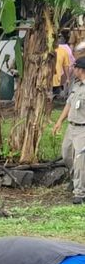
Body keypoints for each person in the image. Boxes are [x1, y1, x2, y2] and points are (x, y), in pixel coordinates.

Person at [53, 57, 85, 204]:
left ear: (81, 70)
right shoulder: (76, 85)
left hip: (83, 129)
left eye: (75, 67)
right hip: (71, 127)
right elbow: (68, 104)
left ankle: (80, 192)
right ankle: (74, 179)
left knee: (80, 161)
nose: (73, 69)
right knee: (66, 155)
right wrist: (59, 121)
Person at [54, 34, 73, 100]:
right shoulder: (44, 49)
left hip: (57, 79)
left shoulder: (63, 51)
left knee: (53, 97)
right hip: (44, 79)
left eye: (59, 37)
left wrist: (67, 78)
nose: (57, 39)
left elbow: (66, 66)